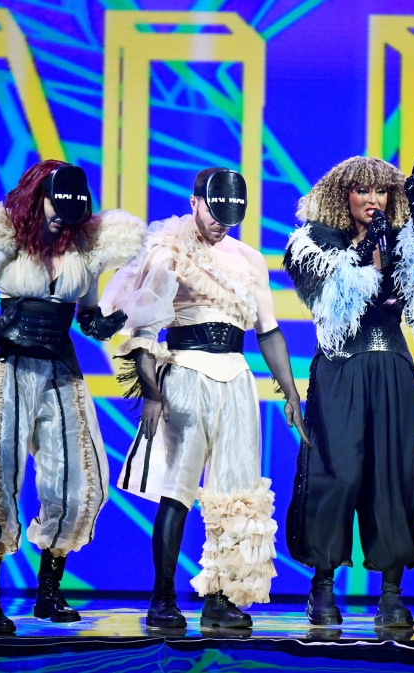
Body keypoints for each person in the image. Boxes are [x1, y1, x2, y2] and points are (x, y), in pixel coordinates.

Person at [101, 167, 310, 631]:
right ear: (195, 201)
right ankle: (162, 598)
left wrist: (292, 393)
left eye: (229, 217)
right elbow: (144, 329)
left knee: (235, 491)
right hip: (186, 372)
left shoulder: (251, 259)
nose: (220, 223)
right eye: (214, 213)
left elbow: (269, 331)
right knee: (177, 491)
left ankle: (220, 598)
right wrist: (152, 393)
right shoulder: (170, 249)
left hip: (236, 377)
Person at [0, 160, 146, 636]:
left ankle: (49, 591)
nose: (61, 216)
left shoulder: (84, 253)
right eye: (56, 206)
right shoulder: (5, 245)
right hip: (5, 369)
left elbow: (89, 317)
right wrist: (0, 325)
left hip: (60, 370)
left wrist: (113, 322)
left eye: (71, 209)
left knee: (81, 479)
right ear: (39, 198)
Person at [283, 157, 414, 630]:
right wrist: (370, 261)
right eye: (363, 191)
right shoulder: (315, 243)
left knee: (392, 476)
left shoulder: (401, 239)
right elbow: (334, 298)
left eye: (382, 192)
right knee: (336, 475)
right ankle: (322, 588)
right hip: (341, 368)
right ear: (345, 195)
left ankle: (392, 595)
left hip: (393, 367)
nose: (374, 200)